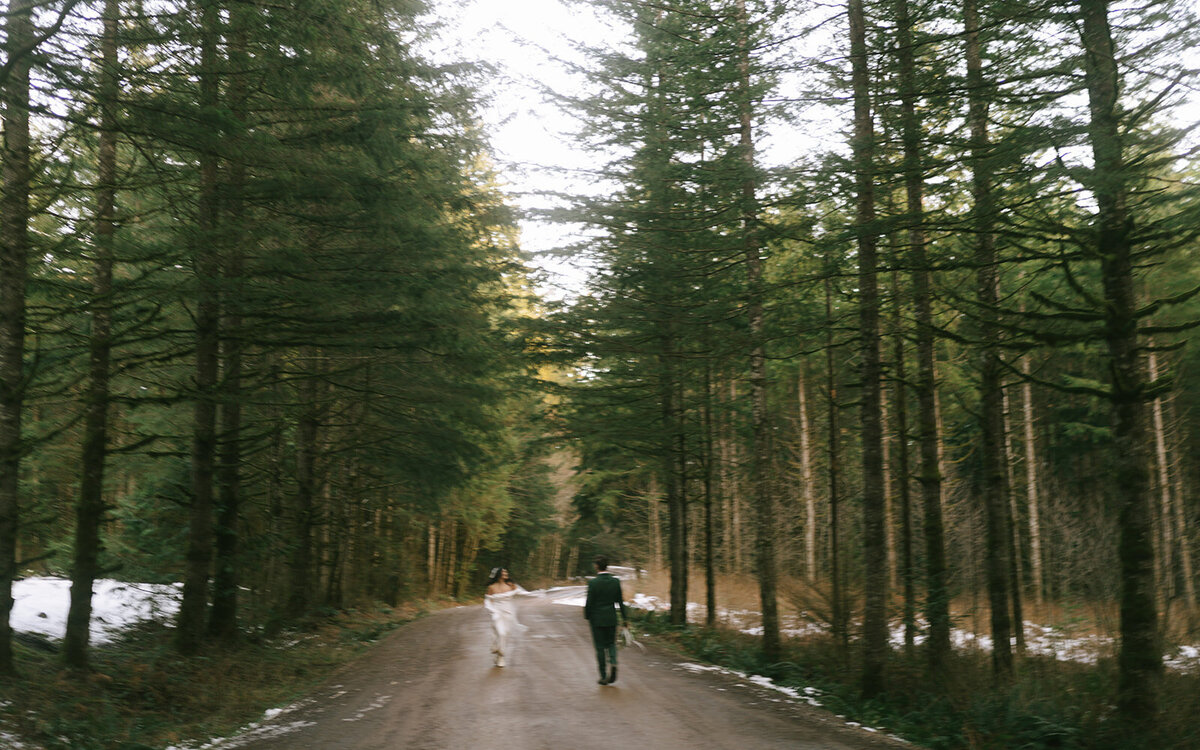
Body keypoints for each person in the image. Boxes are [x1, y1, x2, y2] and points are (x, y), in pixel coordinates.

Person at [584, 555, 628, 685]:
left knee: (600, 648)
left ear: (596, 566)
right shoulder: (615, 582)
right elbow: (620, 602)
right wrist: (625, 619)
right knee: (611, 644)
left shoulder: (593, 583)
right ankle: (613, 662)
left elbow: (589, 603)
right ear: (606, 566)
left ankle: (603, 676)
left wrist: (587, 616)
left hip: (597, 619)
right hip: (611, 618)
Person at [484, 567, 537, 667]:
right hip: (496, 611)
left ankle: (499, 654)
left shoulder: (510, 585)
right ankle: (501, 654)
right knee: (500, 632)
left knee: (506, 633)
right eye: (504, 573)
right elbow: (487, 600)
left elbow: (521, 592)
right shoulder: (492, 587)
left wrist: (534, 594)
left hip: (508, 611)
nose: (506, 574)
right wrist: (492, 610)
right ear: (498, 575)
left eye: (506, 573)